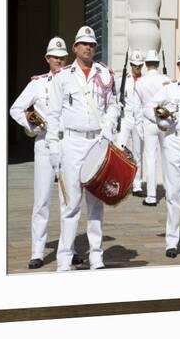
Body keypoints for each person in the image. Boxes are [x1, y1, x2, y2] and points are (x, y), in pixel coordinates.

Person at [46, 26, 119, 271]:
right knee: (71, 203)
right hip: (72, 143)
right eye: (83, 43)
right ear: (75, 47)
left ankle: (96, 256)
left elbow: (114, 106)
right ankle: (64, 258)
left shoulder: (105, 74)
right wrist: (54, 148)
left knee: (96, 204)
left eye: (92, 44)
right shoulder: (62, 77)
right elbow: (53, 115)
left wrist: (109, 131)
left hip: (97, 142)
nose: (88, 47)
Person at [10, 36, 82, 269]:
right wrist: (33, 125)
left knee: (68, 200)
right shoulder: (38, 84)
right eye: (55, 58)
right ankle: (37, 251)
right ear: (47, 59)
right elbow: (16, 108)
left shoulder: (74, 81)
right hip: (44, 144)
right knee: (41, 200)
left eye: (63, 58)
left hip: (68, 144)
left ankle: (68, 250)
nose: (59, 61)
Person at [144, 45, 180, 259]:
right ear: (178, 65)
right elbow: (148, 107)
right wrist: (162, 120)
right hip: (174, 140)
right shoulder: (170, 88)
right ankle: (172, 241)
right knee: (174, 192)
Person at [132, 49, 168, 207]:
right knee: (167, 158)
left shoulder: (140, 83)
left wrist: (139, 126)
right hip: (164, 121)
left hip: (148, 123)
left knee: (150, 159)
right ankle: (169, 190)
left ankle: (152, 196)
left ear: (146, 64)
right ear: (158, 63)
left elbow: (136, 108)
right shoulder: (166, 80)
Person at [116, 49, 145, 196]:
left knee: (138, 153)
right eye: (134, 64)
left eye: (139, 65)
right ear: (131, 64)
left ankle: (137, 186)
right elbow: (115, 97)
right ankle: (120, 183)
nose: (137, 67)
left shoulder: (145, 82)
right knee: (119, 149)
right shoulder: (123, 80)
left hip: (139, 120)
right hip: (126, 118)